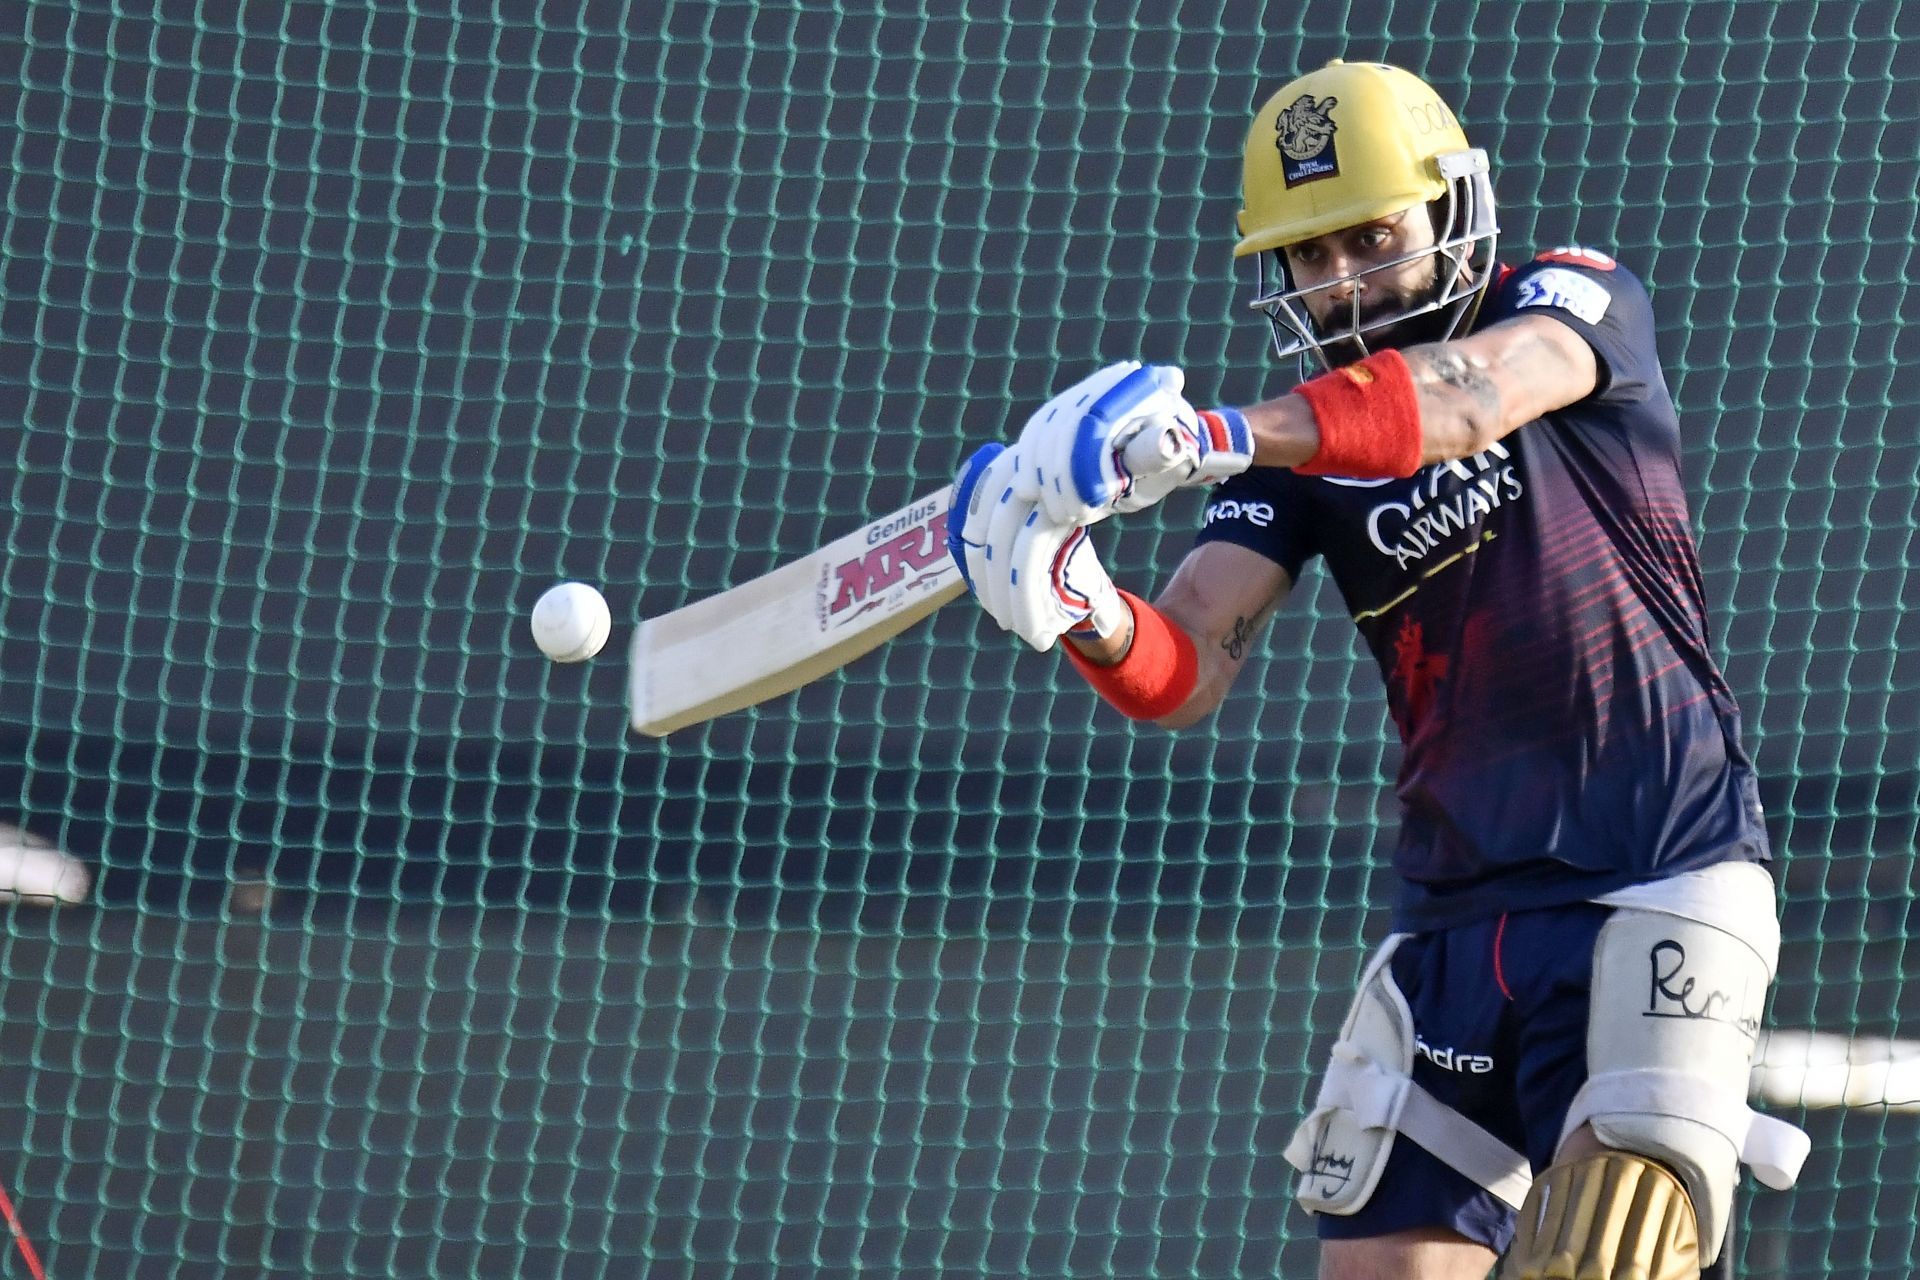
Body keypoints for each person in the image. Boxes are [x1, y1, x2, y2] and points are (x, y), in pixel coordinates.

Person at [948, 59, 1808, 1280]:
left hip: (1653, 875)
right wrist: (1078, 602)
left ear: (1453, 209)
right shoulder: (1296, 457)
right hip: (1453, 914)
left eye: (1373, 236)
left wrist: (1211, 433)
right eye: (1310, 254)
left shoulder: (1571, 303)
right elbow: (1188, 664)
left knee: (1613, 1245)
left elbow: (1461, 400)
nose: (1343, 278)